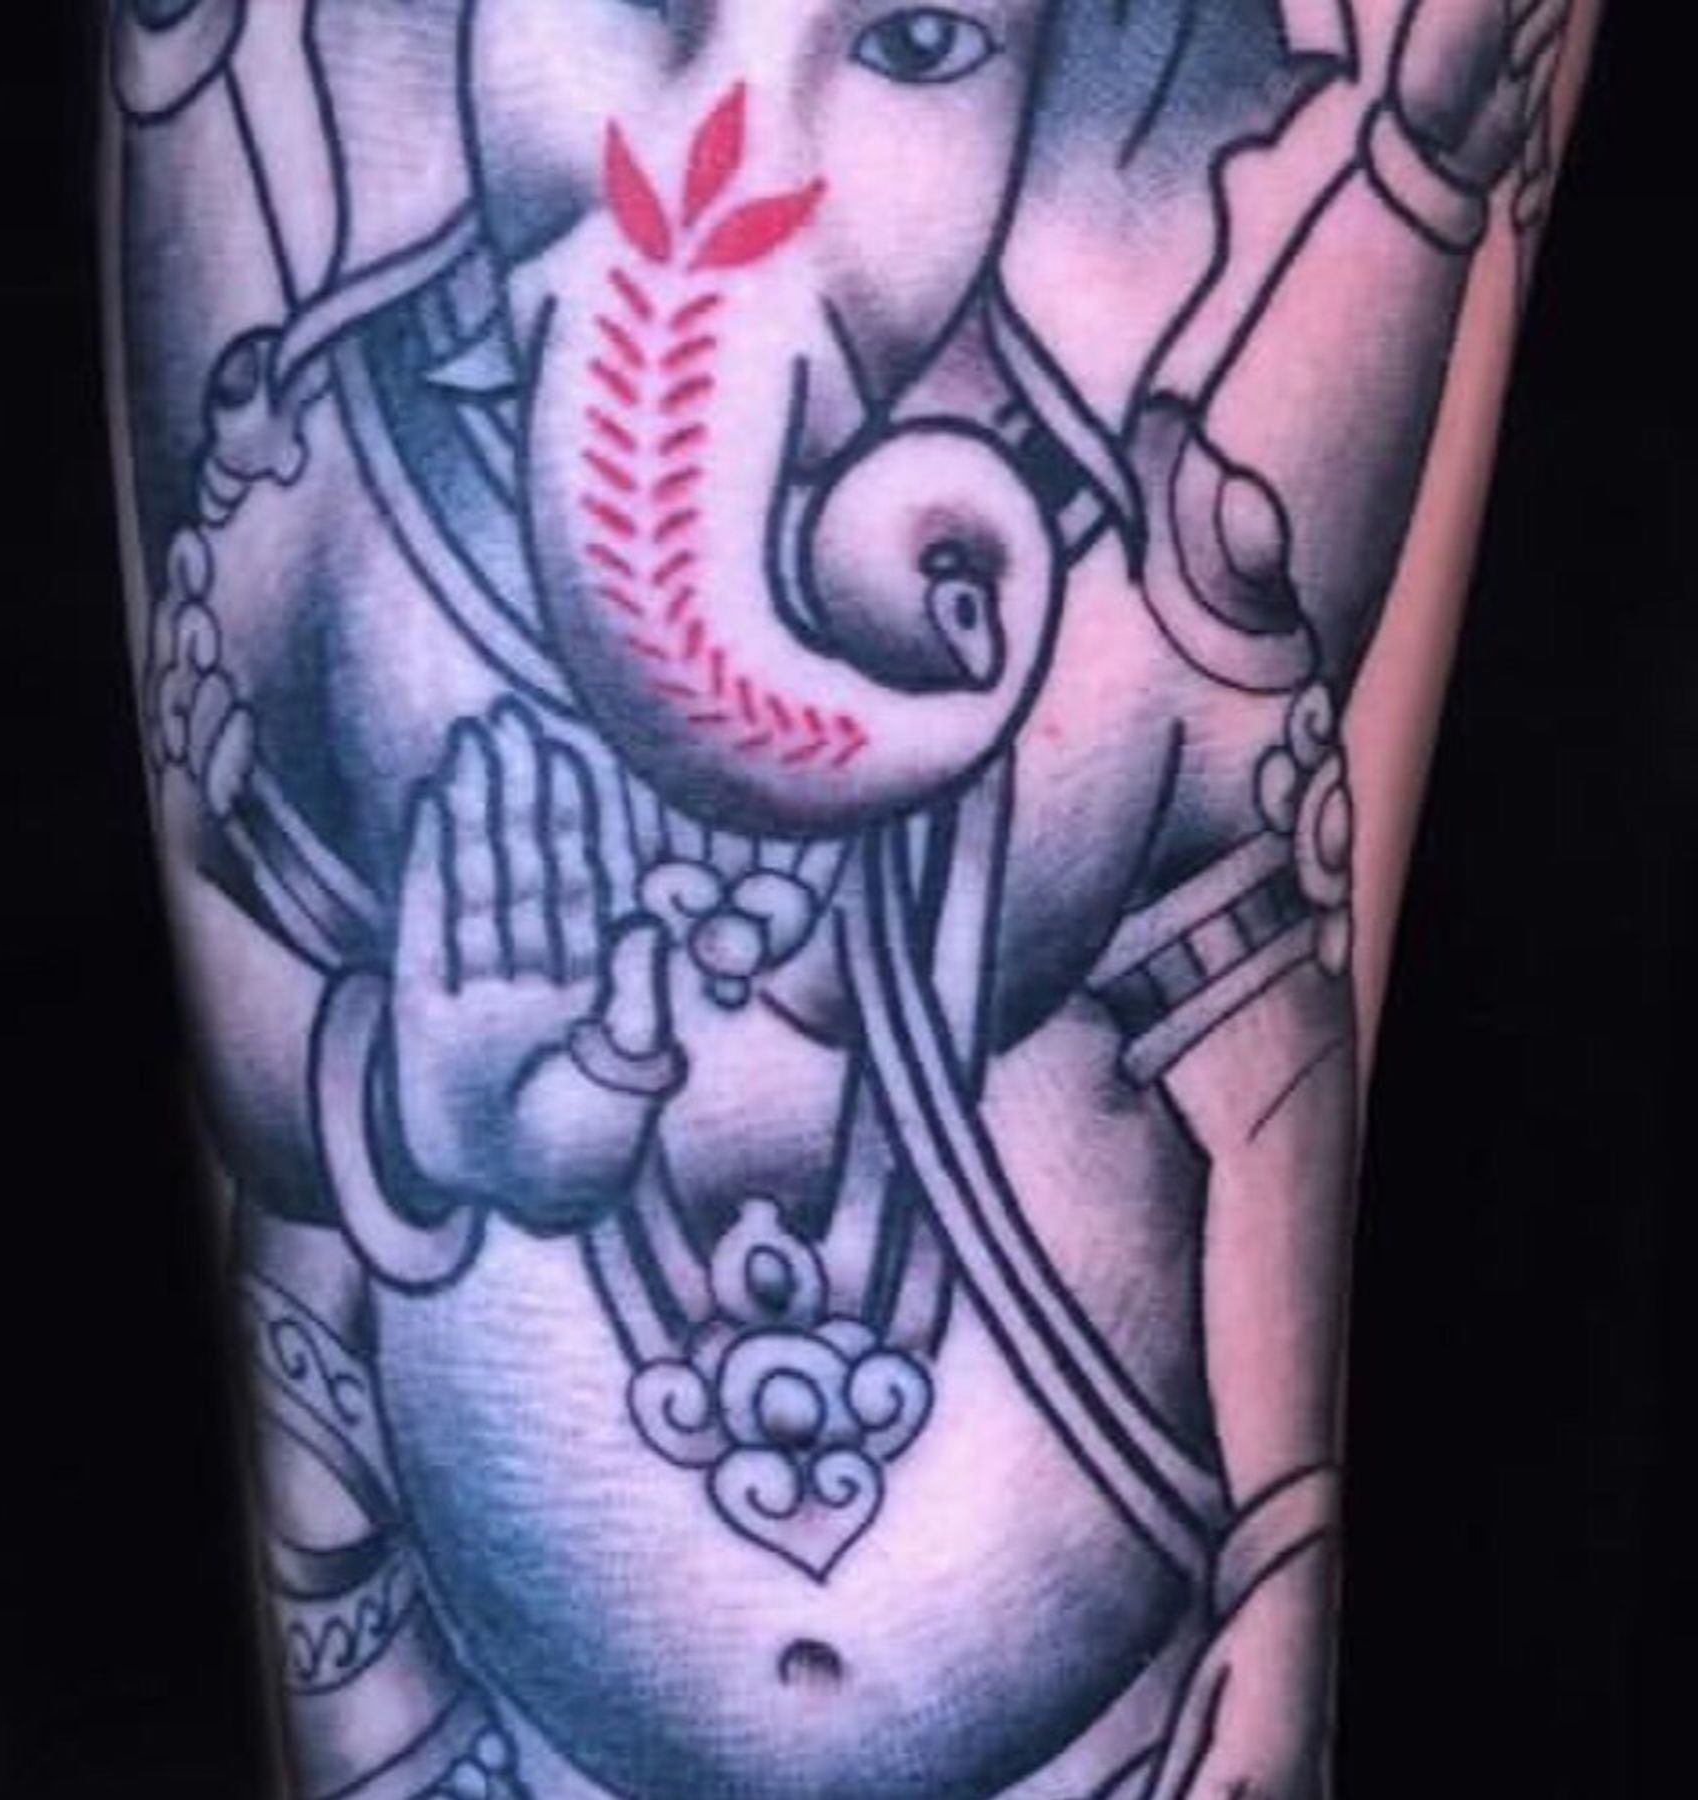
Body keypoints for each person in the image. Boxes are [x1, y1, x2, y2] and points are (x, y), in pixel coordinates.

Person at [103, 2, 1590, 1795]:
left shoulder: (1133, 545)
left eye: (922, 40)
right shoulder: (342, 486)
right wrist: (402, 1097)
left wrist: (1272, 1576)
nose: (718, 182)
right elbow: (269, 1060)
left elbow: (1256, 1002)